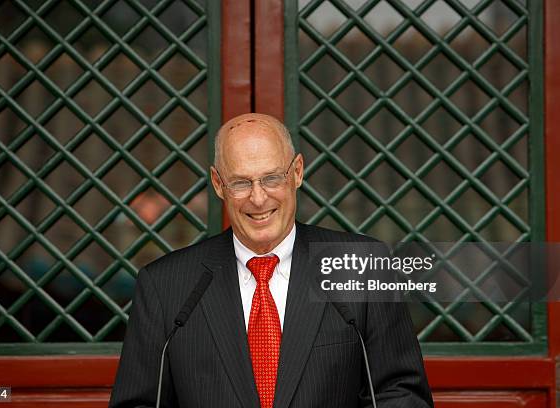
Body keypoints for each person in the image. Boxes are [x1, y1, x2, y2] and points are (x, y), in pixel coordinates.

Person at [109, 113, 433, 407]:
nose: (258, 197)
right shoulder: (165, 287)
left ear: (297, 173)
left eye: (271, 178)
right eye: (240, 182)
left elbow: (402, 396)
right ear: (218, 184)